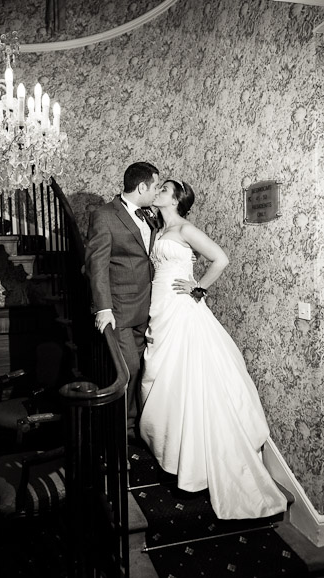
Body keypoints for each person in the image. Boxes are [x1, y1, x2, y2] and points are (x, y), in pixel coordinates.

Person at [139, 179, 287, 520]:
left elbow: (221, 258)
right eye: (158, 187)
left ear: (176, 199)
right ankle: (174, 454)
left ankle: (198, 465)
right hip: (160, 309)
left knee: (189, 378)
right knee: (162, 376)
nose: (159, 191)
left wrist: (198, 287)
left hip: (181, 307)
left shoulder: (186, 229)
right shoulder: (158, 230)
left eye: (165, 189)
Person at [85, 162, 160, 440]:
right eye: (154, 186)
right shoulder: (104, 216)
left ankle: (142, 426)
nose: (156, 192)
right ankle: (123, 433)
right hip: (121, 311)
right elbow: (97, 264)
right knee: (129, 370)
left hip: (151, 309)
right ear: (142, 187)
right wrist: (103, 307)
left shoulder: (151, 215)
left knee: (148, 371)